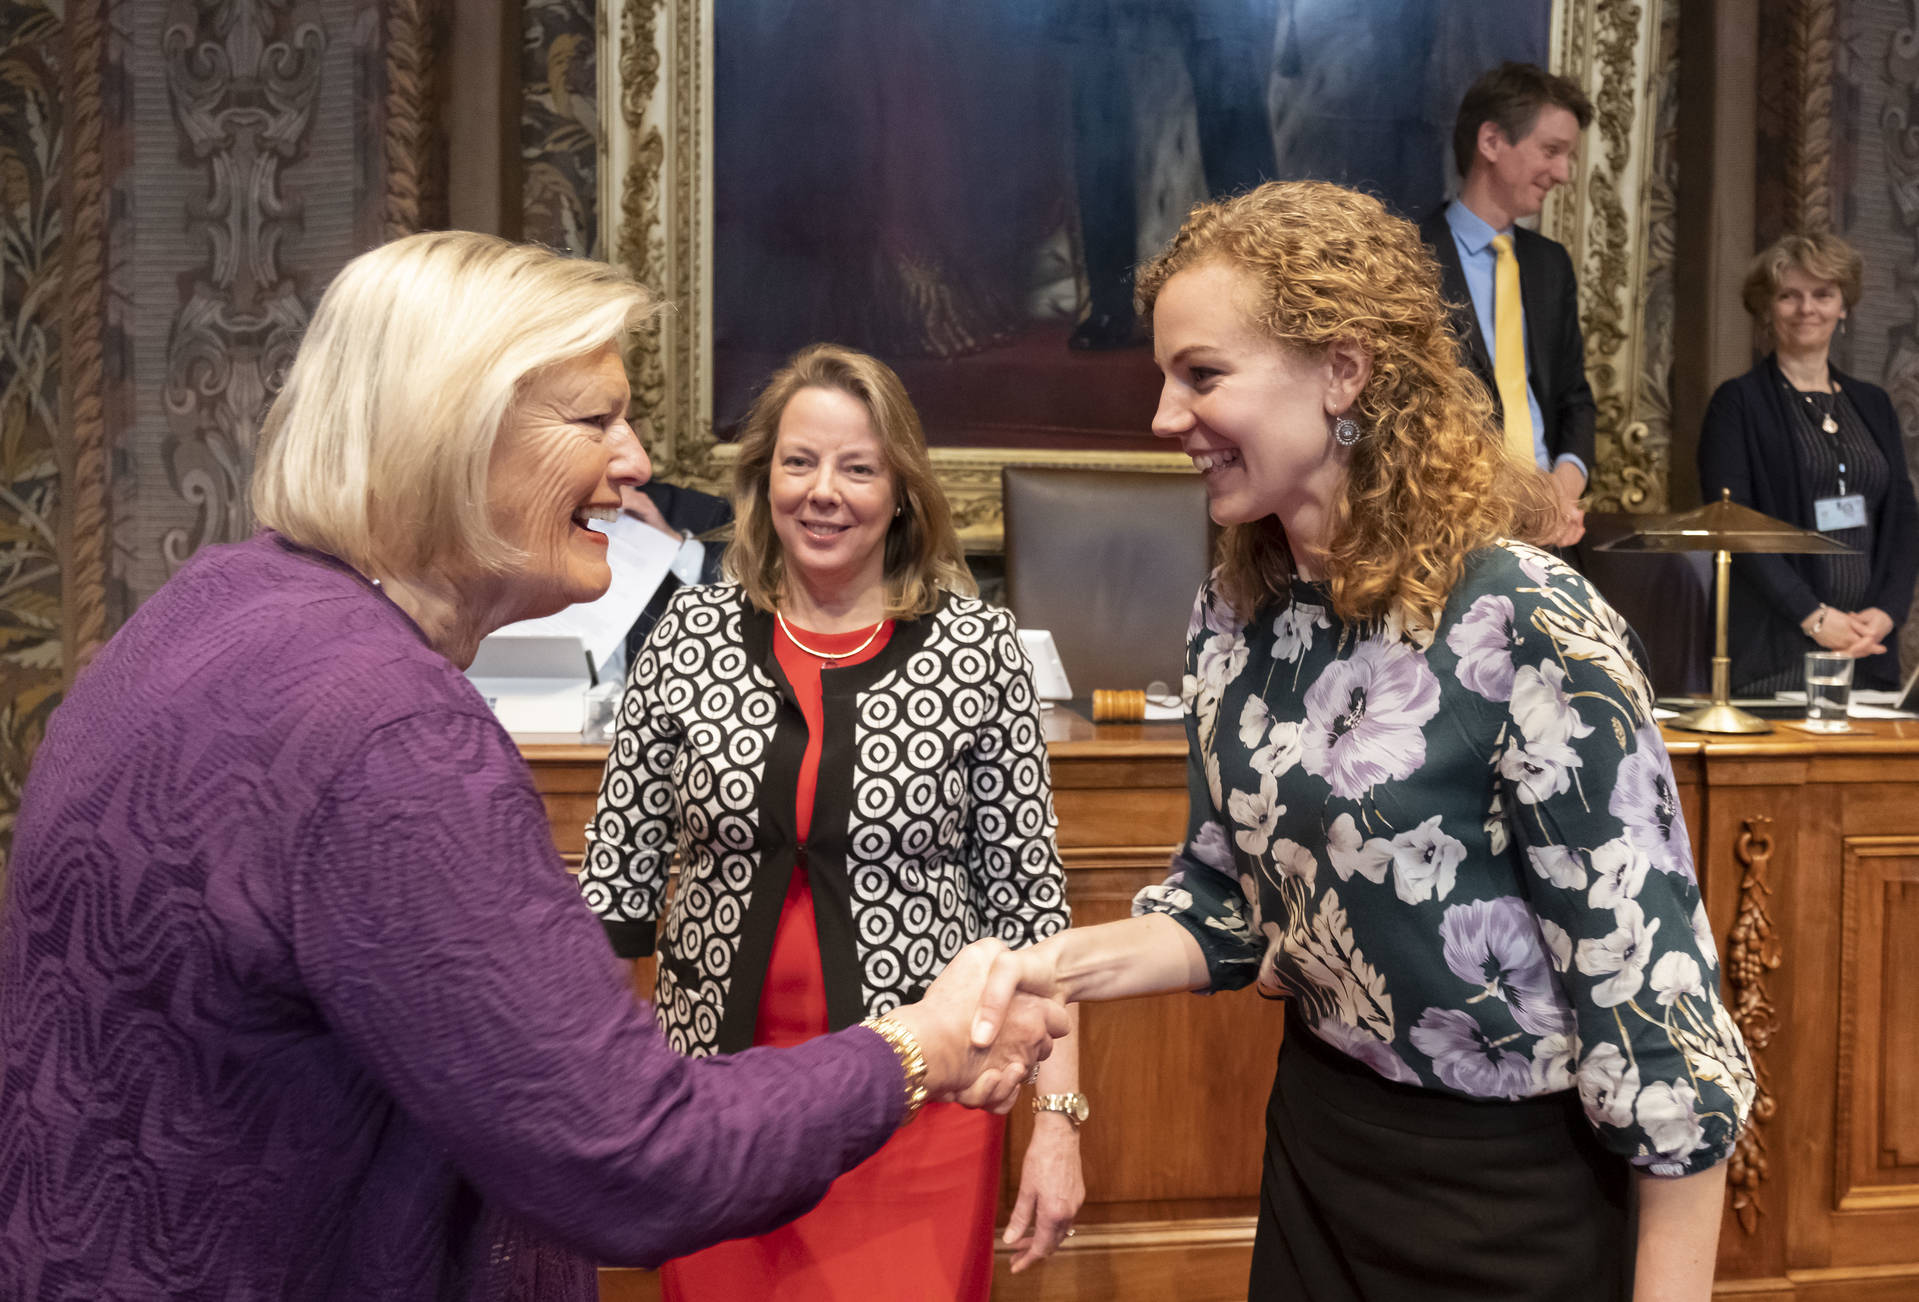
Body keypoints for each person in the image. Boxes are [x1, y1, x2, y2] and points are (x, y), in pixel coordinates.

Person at [0, 233, 1067, 1300]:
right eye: (595, 420)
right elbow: (634, 1157)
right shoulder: (396, 739)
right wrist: (917, 1047)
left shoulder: (205, 606)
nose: (635, 463)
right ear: (450, 431)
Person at [977, 181, 1755, 1301]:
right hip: (1319, 1152)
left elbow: (1653, 1015)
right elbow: (1224, 908)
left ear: (1341, 372)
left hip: (1505, 1201)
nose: (1162, 416)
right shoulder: (1237, 612)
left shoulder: (1524, 620)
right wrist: (1038, 967)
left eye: (1201, 374)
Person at [581, 343, 1084, 1300]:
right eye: (799, 462)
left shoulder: (976, 651)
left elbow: (1034, 922)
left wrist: (1058, 1124)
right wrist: (599, 1114)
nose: (823, 492)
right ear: (761, 479)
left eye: (857, 468)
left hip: (921, 1105)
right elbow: (614, 896)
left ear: (900, 494)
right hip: (718, 1111)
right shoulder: (685, 639)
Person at [1697, 232, 1919, 694]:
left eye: (1823, 294)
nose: (1807, 309)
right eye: (1788, 296)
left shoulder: (1874, 404)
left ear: (1844, 306)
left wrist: (1887, 613)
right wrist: (1813, 617)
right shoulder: (1737, 403)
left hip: (1866, 649)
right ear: (1767, 307)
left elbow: (1902, 516)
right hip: (1776, 654)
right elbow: (1734, 524)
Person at [1419, 61, 1596, 547]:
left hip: (1551, 534)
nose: (1563, 173)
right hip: (1451, 531)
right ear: (1492, 141)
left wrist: (1560, 492)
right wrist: (1504, 497)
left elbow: (1575, 399)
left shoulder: (1550, 264)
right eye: (1552, 151)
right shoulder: (1409, 255)